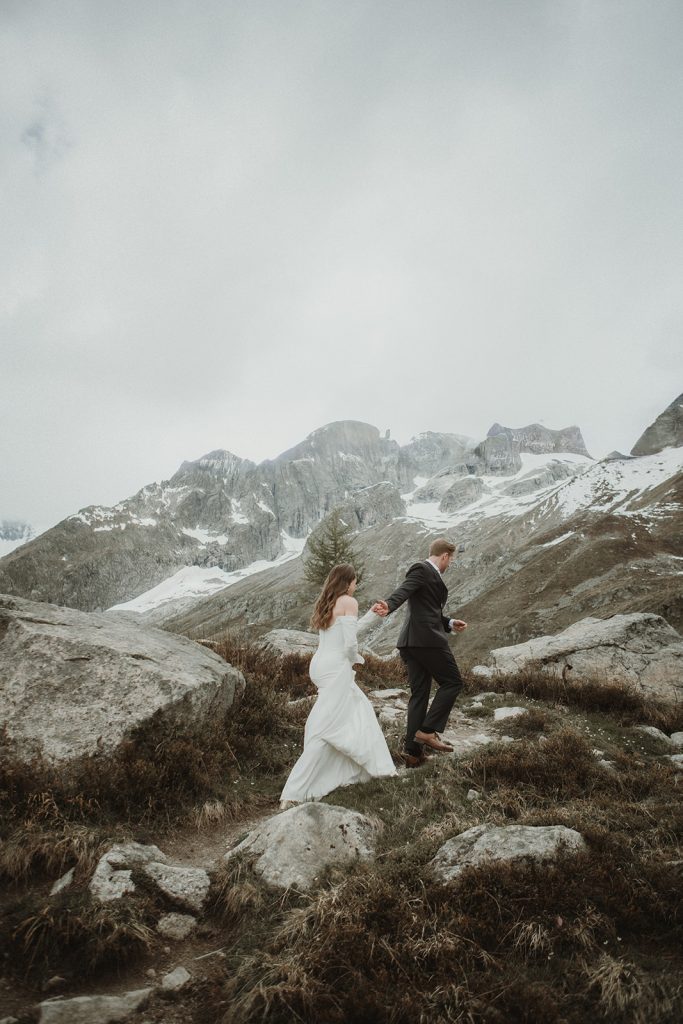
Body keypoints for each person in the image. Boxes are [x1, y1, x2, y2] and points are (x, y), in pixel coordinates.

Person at [279, 563, 397, 807]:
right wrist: (356, 659)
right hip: (337, 668)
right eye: (355, 581)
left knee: (358, 711)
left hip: (321, 665)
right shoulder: (348, 601)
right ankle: (292, 793)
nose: (356, 585)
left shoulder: (329, 601)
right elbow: (349, 643)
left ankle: (369, 768)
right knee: (325, 729)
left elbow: (350, 628)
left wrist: (372, 614)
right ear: (348, 581)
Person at [372, 538, 467, 767]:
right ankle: (426, 731)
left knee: (420, 694)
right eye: (450, 560)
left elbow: (428, 611)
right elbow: (404, 590)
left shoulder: (428, 574)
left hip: (413, 642)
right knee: (453, 682)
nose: (449, 565)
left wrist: (450, 623)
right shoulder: (422, 569)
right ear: (444, 556)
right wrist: (390, 604)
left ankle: (413, 754)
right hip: (427, 642)